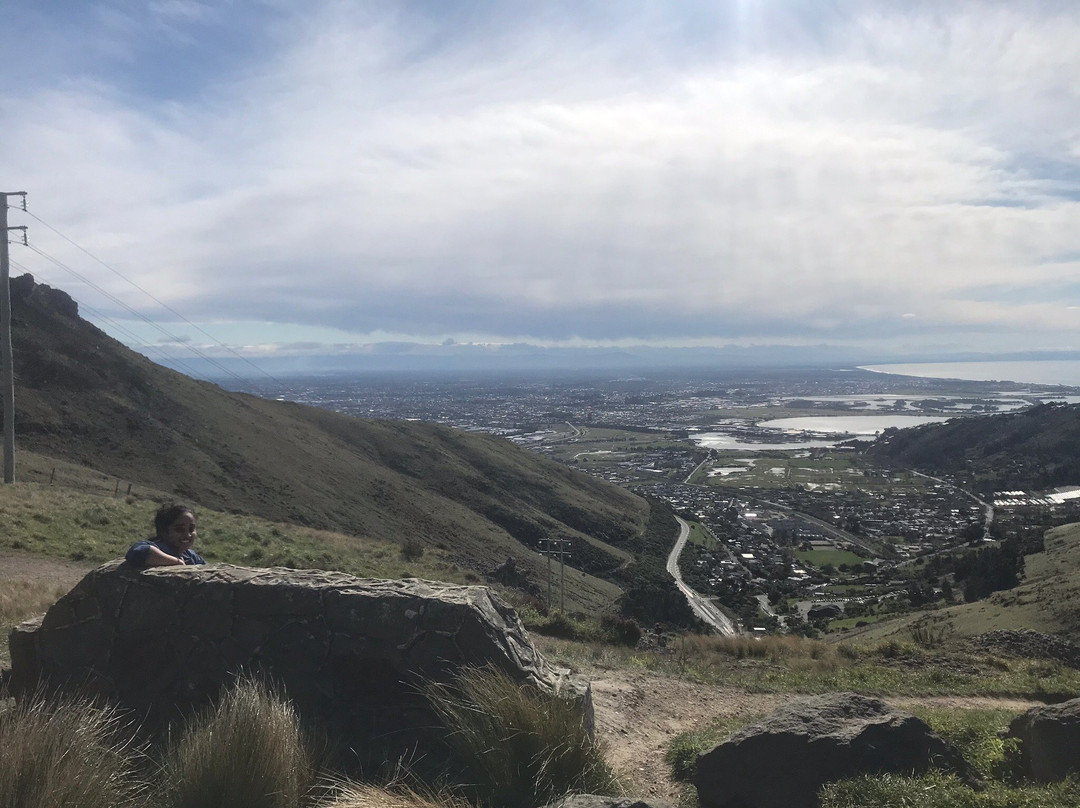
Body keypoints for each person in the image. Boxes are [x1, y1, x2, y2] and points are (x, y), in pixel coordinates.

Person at [126, 504, 206, 567]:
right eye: (179, 529)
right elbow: (138, 552)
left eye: (191, 529)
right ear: (163, 531)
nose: (187, 534)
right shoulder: (159, 547)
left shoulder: (190, 555)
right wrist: (178, 563)